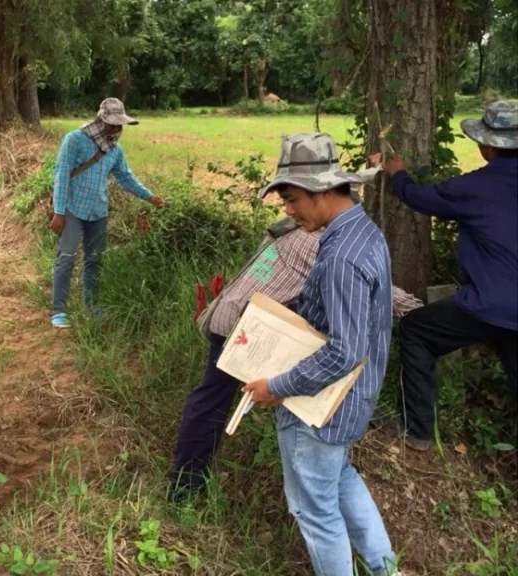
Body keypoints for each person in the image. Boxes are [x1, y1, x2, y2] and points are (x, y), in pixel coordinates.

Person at [171, 214, 423, 495]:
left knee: (213, 397)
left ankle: (186, 481)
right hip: (246, 326)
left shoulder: (293, 228)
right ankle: (187, 485)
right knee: (224, 399)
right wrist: (419, 312)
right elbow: (375, 287)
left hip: (235, 313)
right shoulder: (314, 243)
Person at [241, 133, 398, 575]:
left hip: (321, 408)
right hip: (353, 401)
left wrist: (276, 386)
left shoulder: (340, 257)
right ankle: (386, 568)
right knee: (340, 478)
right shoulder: (362, 232)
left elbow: (344, 350)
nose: (287, 210)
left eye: (291, 199)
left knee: (315, 510)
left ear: (322, 191)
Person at [372, 100, 518, 451]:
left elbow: (420, 197)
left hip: (494, 303)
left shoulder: (475, 188)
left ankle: (418, 431)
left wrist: (398, 174)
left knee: (416, 329)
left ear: (487, 146)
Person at [50, 97, 165, 328]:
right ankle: (59, 311)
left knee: (95, 260)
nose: (116, 129)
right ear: (101, 120)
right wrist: (58, 211)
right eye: (112, 124)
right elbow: (62, 175)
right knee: (67, 257)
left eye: (119, 125)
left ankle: (92, 306)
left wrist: (150, 197)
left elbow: (125, 177)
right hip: (72, 209)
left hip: (98, 212)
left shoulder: (114, 149)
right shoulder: (74, 141)